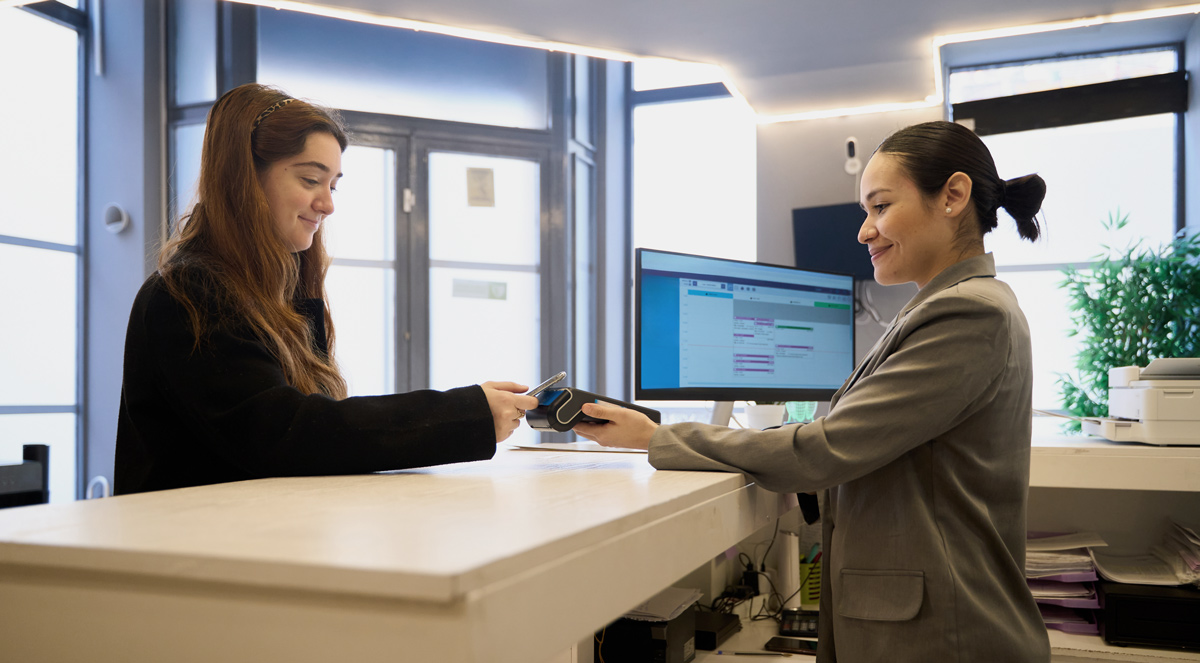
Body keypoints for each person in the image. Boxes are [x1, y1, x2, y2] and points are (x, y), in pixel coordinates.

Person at [576, 121, 1052, 662]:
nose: (864, 232)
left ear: (953, 196)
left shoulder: (967, 313)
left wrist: (656, 437)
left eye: (880, 207)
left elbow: (830, 447)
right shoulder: (946, 307)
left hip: (946, 635)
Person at [114, 83, 538, 496]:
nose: (328, 204)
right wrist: (467, 415)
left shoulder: (275, 290)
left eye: (332, 185)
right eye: (310, 180)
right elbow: (286, 433)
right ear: (245, 178)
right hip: (194, 539)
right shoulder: (190, 292)